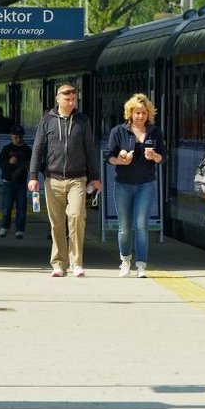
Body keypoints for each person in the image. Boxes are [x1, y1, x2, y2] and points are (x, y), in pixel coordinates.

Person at [28, 84, 101, 277]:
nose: (71, 102)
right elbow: (38, 149)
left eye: (73, 99)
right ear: (57, 99)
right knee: (57, 223)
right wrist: (33, 176)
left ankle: (76, 262)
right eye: (67, 99)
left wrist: (95, 177)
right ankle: (59, 263)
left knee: (76, 216)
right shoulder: (47, 121)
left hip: (78, 178)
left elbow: (90, 150)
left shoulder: (82, 121)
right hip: (53, 179)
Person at [106, 93, 165, 278]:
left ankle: (141, 265)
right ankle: (125, 260)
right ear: (130, 113)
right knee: (124, 227)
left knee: (141, 225)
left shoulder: (155, 132)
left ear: (149, 114)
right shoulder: (118, 131)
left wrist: (155, 157)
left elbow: (164, 156)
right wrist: (120, 160)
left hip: (146, 184)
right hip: (123, 184)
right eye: (137, 112)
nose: (140, 116)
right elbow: (109, 157)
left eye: (144, 113)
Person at [0, 124, 31, 239]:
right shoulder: (7, 149)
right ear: (11, 136)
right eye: (16, 137)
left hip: (21, 182)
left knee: (21, 207)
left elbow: (32, 163)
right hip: (8, 182)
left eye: (20, 137)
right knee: (7, 207)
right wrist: (9, 163)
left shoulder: (26, 149)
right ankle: (5, 226)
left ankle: (20, 229)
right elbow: (0, 164)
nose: (18, 139)